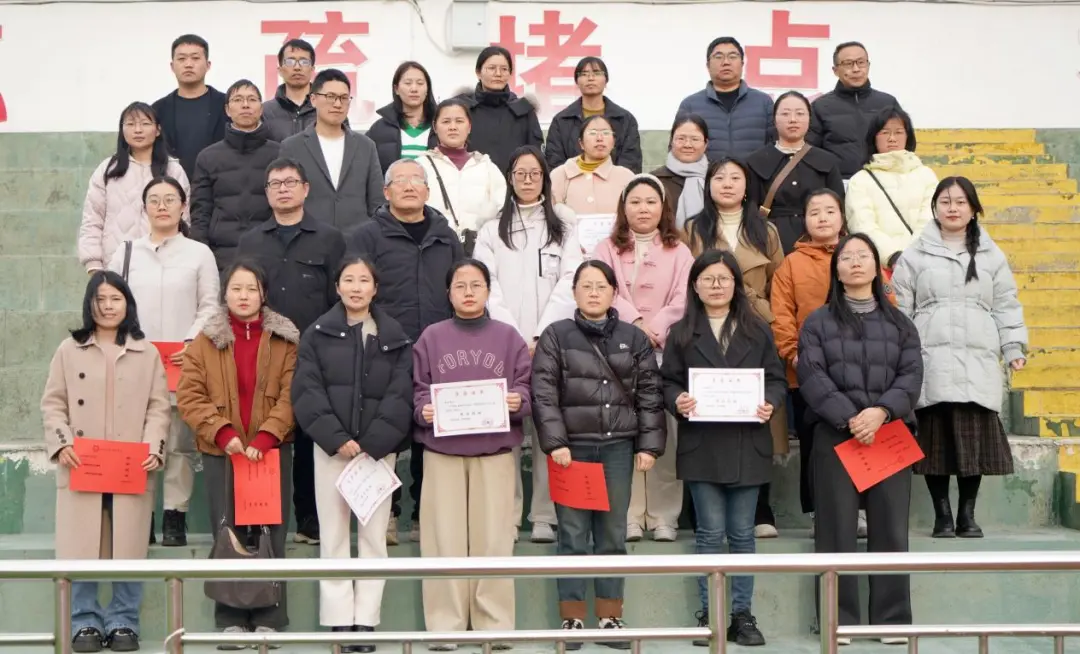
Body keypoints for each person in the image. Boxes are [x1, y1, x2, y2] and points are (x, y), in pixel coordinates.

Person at [531, 259, 665, 649]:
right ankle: (572, 618)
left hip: (617, 447)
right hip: (572, 451)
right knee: (572, 533)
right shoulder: (556, 335)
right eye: (586, 286)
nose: (593, 293)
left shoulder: (633, 337)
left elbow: (650, 393)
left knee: (612, 532)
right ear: (574, 292)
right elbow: (543, 392)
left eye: (601, 286)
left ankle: (609, 616)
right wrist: (556, 442)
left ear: (614, 293)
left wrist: (648, 445)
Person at [797, 234, 922, 645]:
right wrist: (851, 418)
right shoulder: (817, 322)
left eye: (862, 256)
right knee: (835, 530)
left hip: (888, 435)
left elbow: (911, 376)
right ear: (836, 269)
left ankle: (892, 620)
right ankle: (840, 620)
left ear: (876, 268)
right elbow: (812, 376)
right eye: (846, 257)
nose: (854, 262)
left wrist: (881, 411)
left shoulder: (900, 324)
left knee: (890, 530)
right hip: (836, 436)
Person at [662, 249, 786, 647]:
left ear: (736, 284)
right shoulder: (681, 333)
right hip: (702, 445)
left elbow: (777, 380)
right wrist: (678, 399)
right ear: (695, 286)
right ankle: (710, 614)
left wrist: (769, 402)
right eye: (708, 279)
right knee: (710, 533)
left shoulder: (757, 330)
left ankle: (741, 616)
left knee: (743, 534)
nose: (716, 286)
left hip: (748, 443)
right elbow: (668, 381)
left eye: (724, 279)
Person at [42, 272, 171, 654]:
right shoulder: (69, 349)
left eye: (116, 298)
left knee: (128, 546)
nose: (108, 306)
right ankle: (83, 620)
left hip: (131, 466)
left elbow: (158, 408)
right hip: (82, 463)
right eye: (101, 299)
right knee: (81, 545)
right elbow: (53, 404)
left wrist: (154, 447)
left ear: (127, 303)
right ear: (90, 304)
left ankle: (123, 620)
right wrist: (62, 442)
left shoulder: (146, 352)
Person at [892, 177, 1028, 539]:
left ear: (973, 208)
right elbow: (901, 308)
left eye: (960, 202)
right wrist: (899, 354)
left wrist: (1013, 347)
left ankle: (967, 514)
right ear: (934, 207)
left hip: (977, 355)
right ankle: (942, 515)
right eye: (945, 201)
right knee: (935, 441)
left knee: (974, 439)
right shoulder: (915, 253)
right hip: (930, 356)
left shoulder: (991, 254)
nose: (952, 208)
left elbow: (1006, 304)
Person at [292, 257, 413, 653]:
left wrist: (374, 443)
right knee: (334, 536)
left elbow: (401, 395)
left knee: (374, 537)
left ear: (375, 288)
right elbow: (307, 392)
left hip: (377, 455)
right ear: (337, 287)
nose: (356, 287)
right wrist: (338, 438)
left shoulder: (395, 337)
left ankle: (366, 621)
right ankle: (340, 619)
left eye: (364, 280)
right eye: (349, 280)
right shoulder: (317, 334)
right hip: (333, 452)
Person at [176, 260, 299, 645]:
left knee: (270, 532)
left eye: (251, 289)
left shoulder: (284, 341)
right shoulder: (204, 341)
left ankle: (269, 617)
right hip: (223, 453)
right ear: (224, 294)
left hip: (269, 452)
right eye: (236, 289)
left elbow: (293, 394)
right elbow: (189, 395)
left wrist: (267, 436)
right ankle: (230, 617)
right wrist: (222, 432)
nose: (243, 296)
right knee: (226, 531)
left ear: (263, 294)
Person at [412, 259, 532, 650]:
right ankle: (445, 626)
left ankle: (493, 625)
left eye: (476, 285)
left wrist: (518, 400)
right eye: (460, 285)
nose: (468, 292)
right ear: (448, 293)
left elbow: (526, 386)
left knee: (494, 540)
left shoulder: (508, 337)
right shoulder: (431, 337)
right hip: (442, 452)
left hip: (494, 452)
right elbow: (417, 389)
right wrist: (423, 410)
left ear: (487, 291)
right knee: (442, 540)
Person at [350, 158, 465, 544]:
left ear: (428, 191)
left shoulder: (446, 236)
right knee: (385, 432)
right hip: (384, 348)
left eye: (417, 180)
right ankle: (387, 513)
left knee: (430, 434)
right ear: (386, 191)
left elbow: (459, 286)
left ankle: (422, 515)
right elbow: (356, 290)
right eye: (400, 181)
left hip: (438, 348)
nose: (410, 186)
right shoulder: (367, 236)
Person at [473, 145, 582, 544]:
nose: (528, 180)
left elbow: (571, 279)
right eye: (520, 173)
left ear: (545, 179)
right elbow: (486, 283)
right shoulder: (491, 229)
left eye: (535, 173)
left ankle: (544, 514)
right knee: (506, 428)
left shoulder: (563, 226)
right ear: (509, 178)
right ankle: (509, 513)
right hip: (503, 343)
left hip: (550, 341)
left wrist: (541, 334)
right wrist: (514, 337)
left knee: (547, 427)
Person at [237, 158, 347, 546]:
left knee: (311, 436)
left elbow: (339, 297)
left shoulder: (330, 239)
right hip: (263, 354)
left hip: (315, 355)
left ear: (305, 189)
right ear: (266, 192)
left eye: (290, 182)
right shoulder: (251, 242)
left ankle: (310, 519)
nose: (283, 189)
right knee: (268, 432)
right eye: (275, 183)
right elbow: (241, 295)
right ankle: (264, 521)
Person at [106, 177, 219, 547]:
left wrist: (192, 341)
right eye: (154, 200)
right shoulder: (125, 253)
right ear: (144, 208)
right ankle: (143, 515)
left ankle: (175, 516)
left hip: (183, 363)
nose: (162, 206)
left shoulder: (199, 254)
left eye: (170, 199)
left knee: (179, 443)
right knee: (136, 440)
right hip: (134, 361)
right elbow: (110, 303)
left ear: (183, 206)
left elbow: (209, 306)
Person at [683, 158, 786, 539]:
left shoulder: (766, 229)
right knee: (706, 416)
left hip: (755, 325)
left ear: (747, 186)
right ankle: (700, 509)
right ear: (708, 185)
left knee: (760, 415)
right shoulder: (693, 229)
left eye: (735, 178)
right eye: (719, 177)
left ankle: (761, 507)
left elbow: (779, 281)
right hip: (706, 323)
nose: (727, 183)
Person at [593, 175, 693, 542]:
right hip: (617, 350)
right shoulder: (606, 247)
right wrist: (635, 323)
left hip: (666, 351)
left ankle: (665, 515)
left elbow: (684, 296)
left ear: (663, 208)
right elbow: (601, 288)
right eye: (635, 202)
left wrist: (657, 326)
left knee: (665, 433)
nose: (643, 209)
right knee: (625, 433)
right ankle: (630, 514)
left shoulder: (679, 250)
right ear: (624, 208)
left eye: (651, 201)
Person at [770, 189, 847, 524]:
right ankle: (819, 510)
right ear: (804, 220)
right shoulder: (791, 263)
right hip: (806, 371)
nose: (823, 218)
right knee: (814, 441)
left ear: (842, 216)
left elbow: (885, 305)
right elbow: (781, 314)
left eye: (830, 211)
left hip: (858, 370)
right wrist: (792, 354)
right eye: (814, 212)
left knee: (854, 438)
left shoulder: (858, 254)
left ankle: (859, 508)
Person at [78, 102, 189, 274]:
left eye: (145, 124)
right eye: (130, 124)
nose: (138, 130)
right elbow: (92, 220)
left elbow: (185, 220)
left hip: (165, 268)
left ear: (158, 130)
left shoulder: (173, 170)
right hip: (115, 268)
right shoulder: (108, 170)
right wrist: (94, 267)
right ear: (122, 130)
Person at [191, 79, 281, 271]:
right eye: (238, 99)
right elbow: (200, 213)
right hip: (221, 258)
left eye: (252, 99)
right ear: (227, 109)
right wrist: (201, 255)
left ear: (261, 108)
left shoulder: (280, 154)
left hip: (270, 254)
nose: (245, 105)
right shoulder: (208, 157)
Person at [280, 69, 384, 231]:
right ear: (313, 99)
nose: (337, 104)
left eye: (344, 98)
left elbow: (377, 201)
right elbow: (285, 200)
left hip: (358, 240)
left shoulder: (366, 146)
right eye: (330, 97)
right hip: (308, 239)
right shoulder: (292, 147)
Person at [747, 91, 844, 254]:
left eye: (800, 113)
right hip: (770, 242)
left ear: (809, 119)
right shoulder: (756, 161)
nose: (793, 119)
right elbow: (750, 210)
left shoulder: (827, 161)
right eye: (785, 114)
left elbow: (839, 208)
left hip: (818, 242)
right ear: (774, 119)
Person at [846, 107, 938, 267]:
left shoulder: (926, 175)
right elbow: (862, 225)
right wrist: (892, 257)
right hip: (880, 268)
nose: (892, 138)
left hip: (923, 264)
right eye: (885, 132)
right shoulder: (860, 180)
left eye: (899, 132)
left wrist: (914, 255)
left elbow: (931, 218)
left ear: (908, 137)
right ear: (874, 137)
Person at [416, 99, 506, 254]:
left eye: (459, 121)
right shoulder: (420, 166)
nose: (453, 127)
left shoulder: (487, 167)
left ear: (469, 127)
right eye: (446, 121)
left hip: (479, 251)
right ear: (435, 127)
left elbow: (500, 209)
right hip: (432, 249)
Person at [809, 42, 900, 180]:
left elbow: (905, 144)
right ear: (835, 70)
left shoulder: (887, 103)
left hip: (883, 181)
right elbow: (811, 151)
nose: (856, 69)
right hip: (838, 182)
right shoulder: (820, 106)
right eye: (848, 63)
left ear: (868, 65)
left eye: (861, 62)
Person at [676, 37, 773, 162]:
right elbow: (676, 150)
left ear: (742, 64)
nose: (726, 62)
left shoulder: (764, 103)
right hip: (705, 175)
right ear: (708, 65)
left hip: (752, 175)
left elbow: (774, 148)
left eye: (732, 56)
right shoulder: (690, 105)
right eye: (718, 57)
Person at [545, 57, 642, 173]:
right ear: (577, 81)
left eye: (596, 73)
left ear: (606, 80)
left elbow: (631, 161)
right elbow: (555, 162)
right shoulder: (561, 121)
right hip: (572, 182)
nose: (590, 78)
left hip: (616, 183)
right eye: (584, 74)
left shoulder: (625, 119)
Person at [456, 46, 543, 173]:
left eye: (504, 69)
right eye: (492, 68)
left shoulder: (524, 111)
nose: (498, 74)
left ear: (510, 74)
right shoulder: (460, 108)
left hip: (513, 182)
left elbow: (536, 157)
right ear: (478, 72)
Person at [152, 34, 227, 181]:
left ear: (208, 65)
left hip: (218, 186)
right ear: (172, 66)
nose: (188, 64)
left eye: (195, 58)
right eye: (181, 59)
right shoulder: (157, 110)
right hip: (171, 187)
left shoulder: (226, 105)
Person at [550, 116, 636, 218]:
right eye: (592, 133)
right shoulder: (559, 175)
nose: (600, 138)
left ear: (613, 142)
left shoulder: (626, 177)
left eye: (606, 133)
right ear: (581, 143)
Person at [366, 61, 438, 174]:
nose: (414, 89)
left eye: (420, 83)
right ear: (396, 89)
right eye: (408, 83)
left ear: (427, 88)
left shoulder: (440, 126)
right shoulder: (379, 129)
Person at [652, 114, 710, 228]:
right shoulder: (655, 180)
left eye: (695, 139)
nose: (687, 145)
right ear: (671, 141)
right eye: (681, 139)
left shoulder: (716, 177)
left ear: (705, 144)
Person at [263, 39, 318, 143]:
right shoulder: (265, 112)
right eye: (290, 62)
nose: (297, 67)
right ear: (280, 70)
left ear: (312, 69)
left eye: (304, 62)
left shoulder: (327, 108)